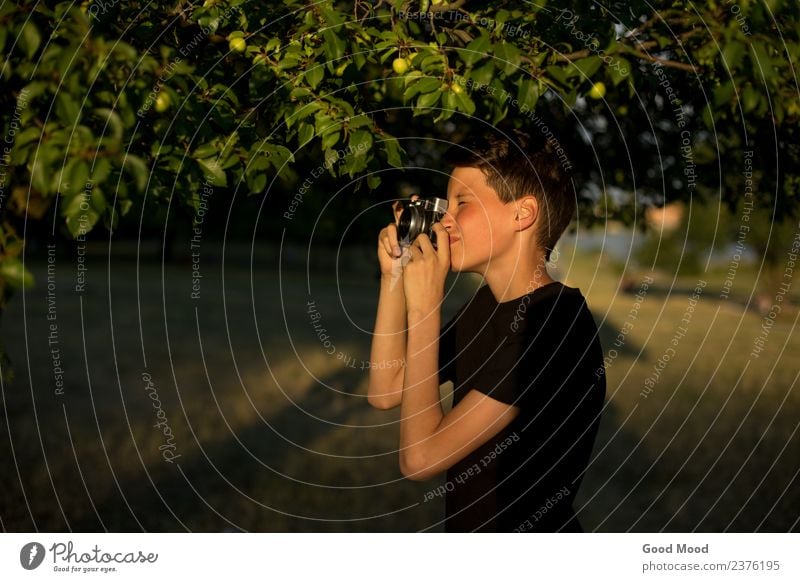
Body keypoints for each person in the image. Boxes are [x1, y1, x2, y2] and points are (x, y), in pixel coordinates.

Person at [367, 130, 606, 532]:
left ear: (522, 214)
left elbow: (420, 458)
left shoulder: (554, 323)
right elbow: (386, 388)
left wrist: (426, 306)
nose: (445, 221)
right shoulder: (486, 307)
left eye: (462, 203)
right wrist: (395, 277)